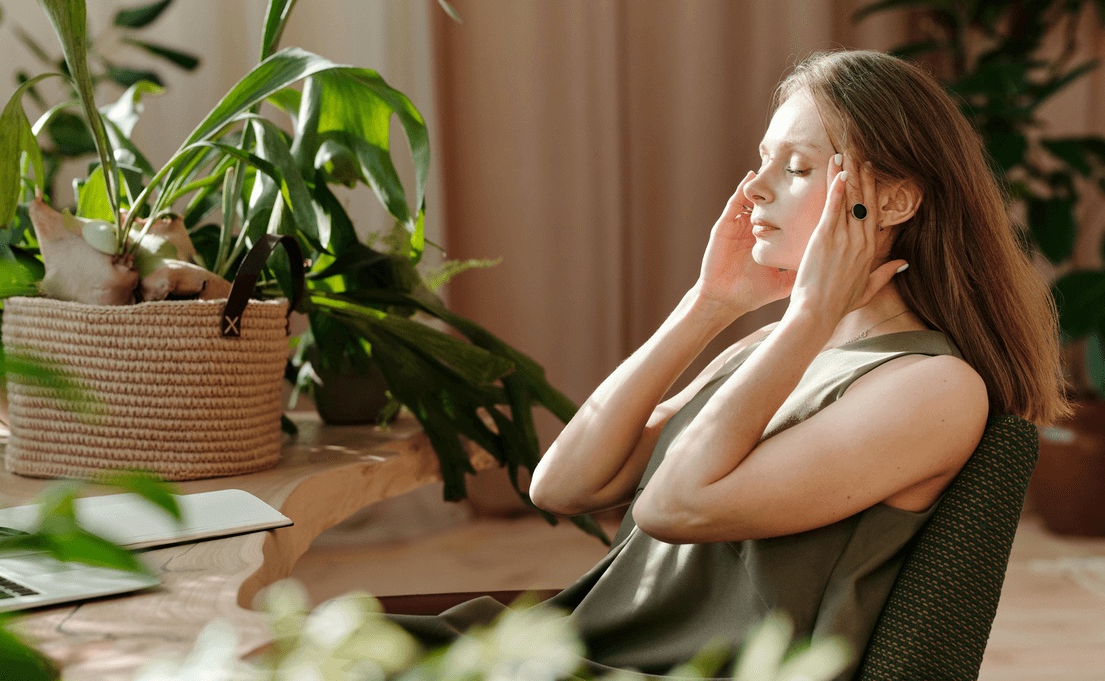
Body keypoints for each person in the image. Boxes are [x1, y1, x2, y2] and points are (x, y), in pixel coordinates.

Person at [387, 49, 1073, 680]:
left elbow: (671, 505)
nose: (754, 190)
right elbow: (561, 485)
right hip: (561, 648)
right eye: (762, 160)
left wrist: (806, 318)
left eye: (795, 168)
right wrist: (708, 304)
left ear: (891, 201)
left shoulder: (932, 387)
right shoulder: (771, 348)